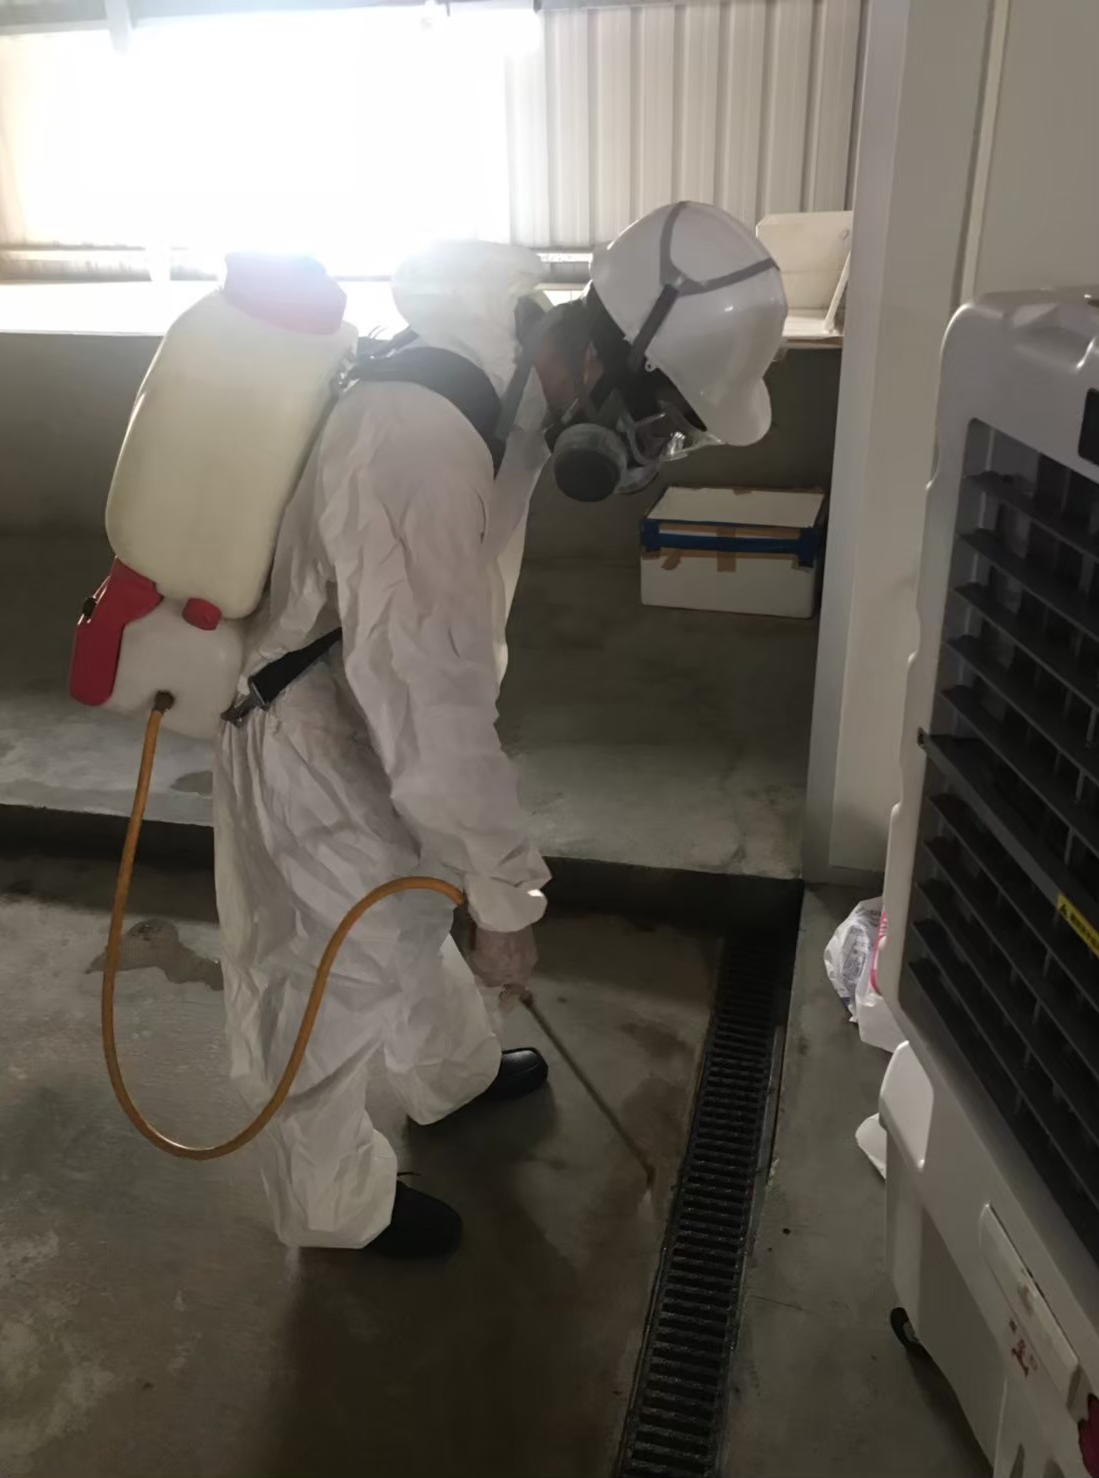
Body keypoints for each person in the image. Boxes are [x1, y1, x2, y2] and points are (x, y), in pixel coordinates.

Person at [213, 202, 786, 1259]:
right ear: (605, 358)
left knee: (416, 900)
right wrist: (509, 897)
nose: (646, 452)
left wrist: (477, 879)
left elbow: (432, 670)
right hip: (311, 730)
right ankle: (334, 1207)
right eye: (654, 421)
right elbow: (427, 702)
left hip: (373, 695)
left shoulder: (511, 370)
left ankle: (450, 1076)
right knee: (332, 971)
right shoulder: (420, 442)